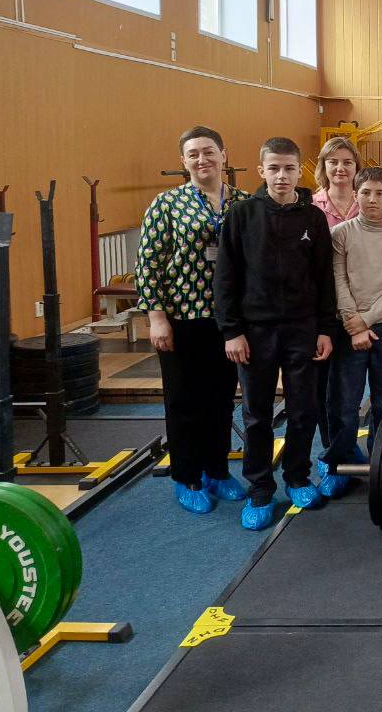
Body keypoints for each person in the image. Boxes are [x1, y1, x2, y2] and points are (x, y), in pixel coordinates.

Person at [213, 136, 337, 530]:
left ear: (300, 171)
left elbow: (324, 279)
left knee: (303, 409)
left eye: (289, 168)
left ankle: (297, 477)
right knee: (256, 415)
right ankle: (260, 488)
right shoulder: (241, 215)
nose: (281, 176)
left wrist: (325, 329)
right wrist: (232, 331)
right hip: (255, 332)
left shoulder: (313, 219)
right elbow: (225, 278)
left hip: (302, 329)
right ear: (261, 170)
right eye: (274, 168)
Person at [136, 126, 251, 515]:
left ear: (223, 155)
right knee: (184, 400)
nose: (202, 159)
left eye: (209, 151)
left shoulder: (244, 203)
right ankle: (187, 476)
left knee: (221, 399)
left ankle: (217, 470)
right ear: (183, 161)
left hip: (229, 321)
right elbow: (148, 264)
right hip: (182, 318)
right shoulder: (167, 204)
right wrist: (156, 317)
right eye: (193, 154)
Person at [320, 167, 382, 498]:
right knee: (344, 402)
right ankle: (337, 464)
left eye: (379, 193)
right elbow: (338, 279)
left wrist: (368, 319)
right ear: (355, 194)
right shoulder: (341, 233)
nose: (372, 199)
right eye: (365, 193)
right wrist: (353, 322)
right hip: (349, 329)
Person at [310, 136, 362, 452]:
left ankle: (351, 445)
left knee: (353, 386)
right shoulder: (310, 207)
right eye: (333, 162)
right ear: (323, 167)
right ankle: (333, 451)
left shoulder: (368, 202)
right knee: (324, 386)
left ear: (356, 167)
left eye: (347, 162)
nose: (340, 168)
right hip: (323, 309)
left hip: (361, 307)